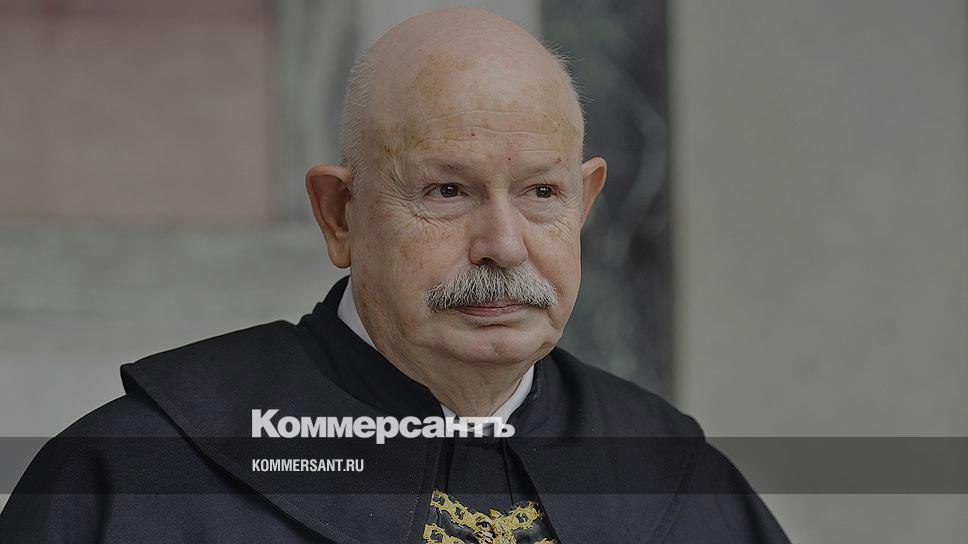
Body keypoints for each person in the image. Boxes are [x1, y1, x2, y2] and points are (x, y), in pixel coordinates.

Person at [0, 8, 789, 543]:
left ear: (585, 203)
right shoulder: (133, 478)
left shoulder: (680, 485)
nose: (503, 245)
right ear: (340, 214)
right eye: (447, 191)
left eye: (541, 193)